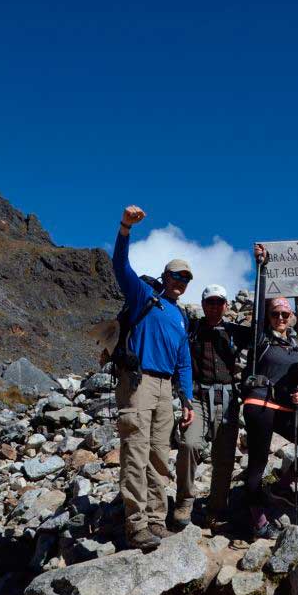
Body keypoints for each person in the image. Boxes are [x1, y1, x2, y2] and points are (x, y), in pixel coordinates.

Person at [112, 205, 195, 552]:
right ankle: (135, 525)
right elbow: (120, 266)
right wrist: (125, 228)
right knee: (135, 451)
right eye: (176, 276)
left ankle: (157, 520)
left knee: (160, 456)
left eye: (186, 279)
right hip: (138, 382)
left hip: (165, 390)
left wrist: (187, 398)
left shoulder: (180, 317)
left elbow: (184, 361)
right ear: (165, 277)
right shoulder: (146, 296)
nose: (180, 282)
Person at [242, 247, 298, 539]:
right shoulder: (261, 339)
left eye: (285, 314)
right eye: (276, 314)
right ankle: (257, 521)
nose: (280, 317)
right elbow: (259, 306)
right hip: (259, 405)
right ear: (269, 317)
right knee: (256, 463)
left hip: (284, 409)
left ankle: (282, 486)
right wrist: (262, 268)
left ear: (292, 318)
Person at [173, 282, 253, 532]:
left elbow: (262, 331)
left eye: (220, 302)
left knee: (225, 456)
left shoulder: (234, 331)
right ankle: (185, 501)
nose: (215, 306)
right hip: (197, 396)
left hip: (228, 397)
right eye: (210, 302)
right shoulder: (193, 329)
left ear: (227, 305)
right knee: (189, 443)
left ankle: (216, 509)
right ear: (203, 304)